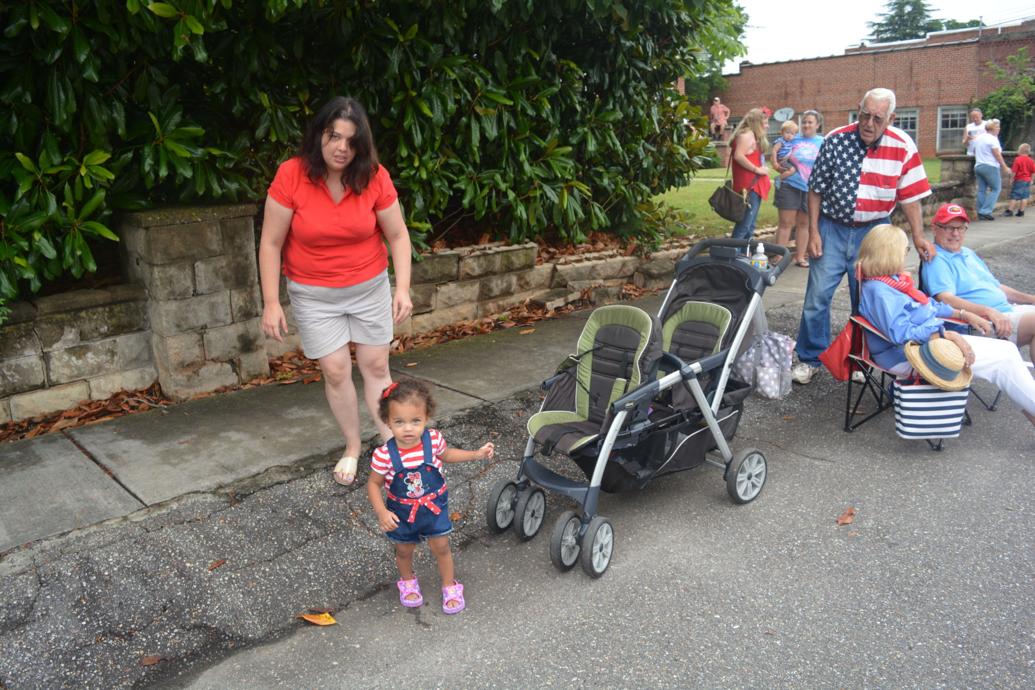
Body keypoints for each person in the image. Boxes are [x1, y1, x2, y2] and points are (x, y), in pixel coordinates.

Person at [260, 96, 413, 486]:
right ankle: (352, 446)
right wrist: (271, 302)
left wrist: (403, 288)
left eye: (350, 140)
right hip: (314, 295)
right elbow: (271, 243)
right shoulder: (291, 175)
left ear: (361, 145)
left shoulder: (373, 176)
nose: (341, 147)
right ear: (318, 136)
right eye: (333, 136)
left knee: (377, 366)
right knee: (335, 370)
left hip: (368, 287)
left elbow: (397, 234)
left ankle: (390, 445)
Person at [792, 88, 934, 385]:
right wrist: (814, 232)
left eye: (877, 118)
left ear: (891, 118)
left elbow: (911, 197)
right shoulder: (835, 139)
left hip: (873, 231)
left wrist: (919, 236)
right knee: (817, 298)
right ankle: (809, 357)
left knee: (868, 301)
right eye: (864, 115)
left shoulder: (903, 145)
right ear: (859, 109)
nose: (868, 123)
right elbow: (815, 189)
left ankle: (860, 358)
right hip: (832, 227)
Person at [857, 224, 1035, 427]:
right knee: (1003, 361)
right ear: (890, 254)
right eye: (904, 250)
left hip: (928, 342)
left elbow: (930, 305)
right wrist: (944, 333)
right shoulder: (880, 292)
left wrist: (963, 314)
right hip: (907, 353)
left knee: (1007, 350)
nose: (907, 255)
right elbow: (902, 334)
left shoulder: (893, 282)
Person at [366, 380, 495, 614]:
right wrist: (382, 512)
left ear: (426, 417)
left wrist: (475, 454)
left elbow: (447, 454)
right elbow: (374, 484)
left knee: (442, 547)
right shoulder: (384, 455)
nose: (408, 429)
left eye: (416, 421)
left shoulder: (433, 440)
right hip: (401, 514)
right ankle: (407, 581)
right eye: (399, 422)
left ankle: (449, 585)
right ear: (387, 422)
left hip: (434, 509)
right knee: (404, 550)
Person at [923, 203, 1035, 355]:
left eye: (961, 228)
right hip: (982, 323)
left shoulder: (967, 252)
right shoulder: (937, 258)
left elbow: (996, 286)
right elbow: (945, 299)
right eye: (949, 228)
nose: (956, 234)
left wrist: (1031, 299)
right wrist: (988, 311)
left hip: (1007, 311)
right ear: (935, 228)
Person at [773, 110, 825, 267]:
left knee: (804, 224)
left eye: (810, 122)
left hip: (811, 189)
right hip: (790, 185)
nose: (806, 125)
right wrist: (778, 167)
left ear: (817, 124)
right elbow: (777, 156)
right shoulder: (791, 139)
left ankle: (800, 257)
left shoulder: (823, 142)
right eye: (804, 122)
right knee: (786, 223)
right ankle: (778, 257)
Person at [729, 107, 772, 245]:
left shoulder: (751, 135)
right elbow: (738, 156)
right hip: (749, 187)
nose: (767, 125)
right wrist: (757, 169)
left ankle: (742, 258)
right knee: (744, 226)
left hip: (753, 186)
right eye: (765, 122)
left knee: (749, 226)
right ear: (757, 122)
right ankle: (731, 258)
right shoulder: (746, 135)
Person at [973, 119, 1009, 221]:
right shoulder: (992, 139)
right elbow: (997, 154)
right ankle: (985, 211)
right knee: (996, 188)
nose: (999, 129)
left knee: (982, 189)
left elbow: (975, 151)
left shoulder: (979, 138)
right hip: (990, 166)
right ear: (993, 128)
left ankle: (980, 211)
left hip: (978, 165)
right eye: (997, 127)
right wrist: (1005, 167)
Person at [1005, 142, 1034, 217]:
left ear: (1020, 151)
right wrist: (1032, 180)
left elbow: (1014, 171)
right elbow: (1033, 172)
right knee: (1025, 196)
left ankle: (1010, 210)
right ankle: (1021, 211)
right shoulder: (1031, 160)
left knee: (1014, 195)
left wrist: (1011, 179)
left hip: (1019, 180)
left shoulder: (1018, 159)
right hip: (1027, 180)